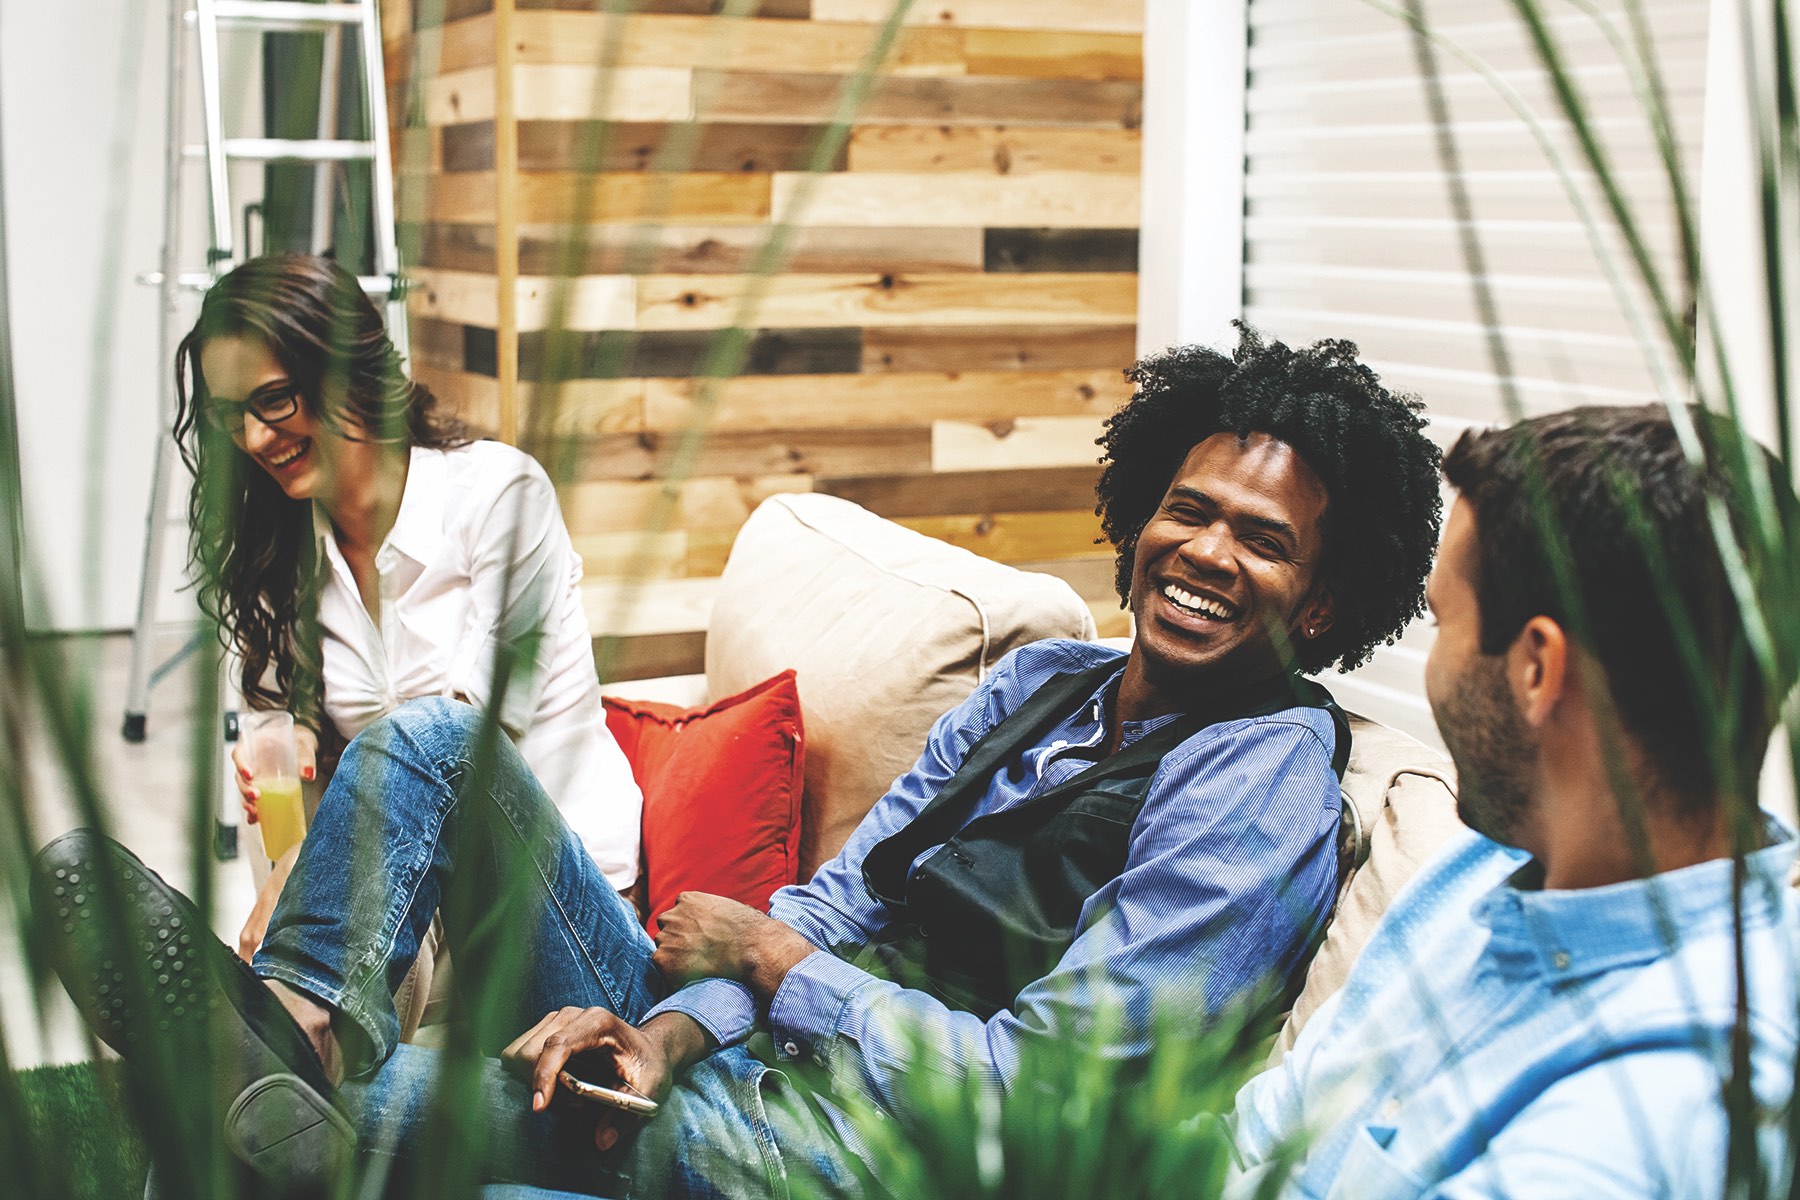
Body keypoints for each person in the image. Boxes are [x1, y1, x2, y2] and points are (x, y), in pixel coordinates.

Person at [39, 326, 1443, 1196]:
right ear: (1139, 513)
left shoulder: (1259, 775)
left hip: (859, 1161)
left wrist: (772, 976)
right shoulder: (1043, 679)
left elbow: (1046, 1099)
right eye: (1189, 510)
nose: (1207, 553)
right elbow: (843, 899)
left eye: (1264, 540)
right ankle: (297, 1023)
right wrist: (658, 1032)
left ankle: (268, 1089)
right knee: (429, 745)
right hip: (742, 1065)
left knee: (323, 1117)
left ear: (1326, 601)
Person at [1229, 404, 1800, 1197]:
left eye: (1441, 621)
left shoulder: (1669, 1097)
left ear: (1536, 668)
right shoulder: (1482, 867)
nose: (1433, 669)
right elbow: (1251, 1135)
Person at [172, 254, 643, 952]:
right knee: (276, 796)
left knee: (333, 938)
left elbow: (462, 748)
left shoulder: (501, 498)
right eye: (228, 414)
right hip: (412, 907)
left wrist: (304, 879)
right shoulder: (281, 554)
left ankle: (275, 1001)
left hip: (555, 900)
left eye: (272, 400)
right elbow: (274, 753)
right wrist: (287, 775)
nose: (253, 438)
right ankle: (286, 998)